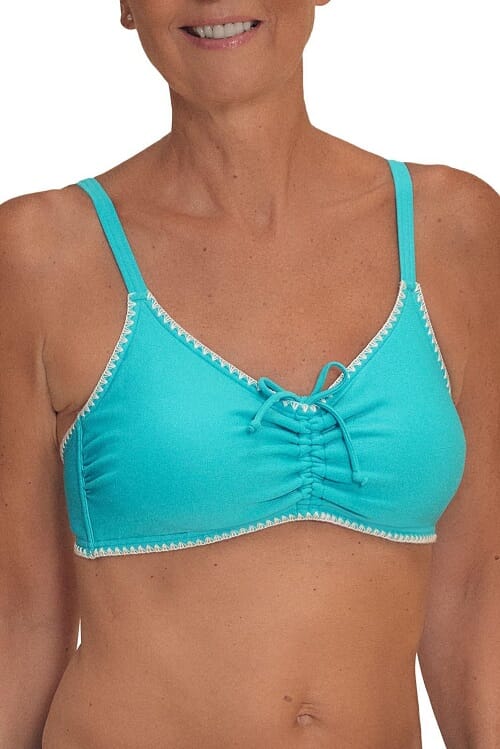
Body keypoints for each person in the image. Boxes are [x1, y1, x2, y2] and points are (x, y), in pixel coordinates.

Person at [1, 2, 499, 747]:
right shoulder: (41, 254)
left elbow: (475, 593)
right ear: (127, 5)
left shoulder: (454, 230)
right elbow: (21, 613)